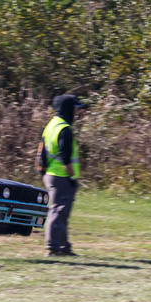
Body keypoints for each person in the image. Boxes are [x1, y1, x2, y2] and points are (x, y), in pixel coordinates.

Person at [38, 94, 84, 257]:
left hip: (50, 175)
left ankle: (64, 247)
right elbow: (65, 159)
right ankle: (52, 247)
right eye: (76, 108)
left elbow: (41, 152)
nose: (78, 112)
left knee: (61, 212)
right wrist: (72, 178)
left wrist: (43, 173)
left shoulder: (51, 125)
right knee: (58, 212)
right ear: (68, 109)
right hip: (62, 176)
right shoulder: (65, 129)